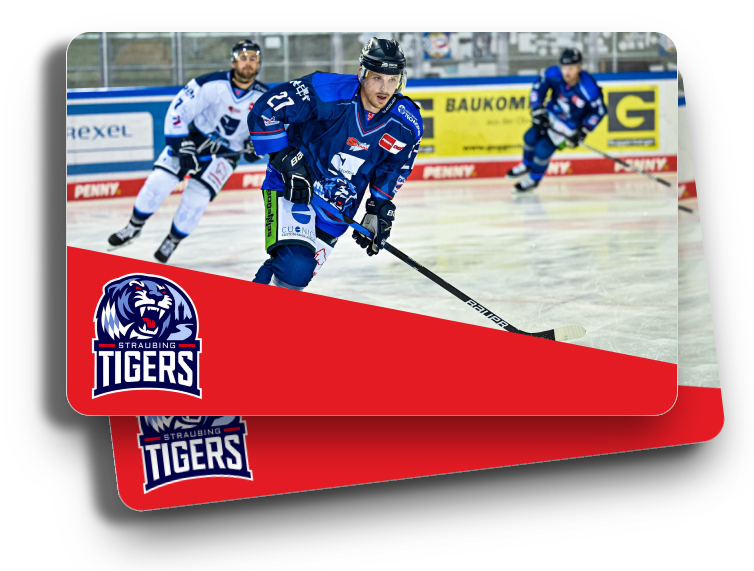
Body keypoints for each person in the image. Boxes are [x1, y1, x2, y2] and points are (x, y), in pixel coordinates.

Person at [247, 37, 422, 290]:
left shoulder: (407, 122)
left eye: (392, 79)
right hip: (293, 188)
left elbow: (394, 167)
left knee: (293, 279)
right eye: (377, 77)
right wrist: (284, 158)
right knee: (295, 267)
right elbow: (265, 109)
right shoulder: (327, 90)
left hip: (338, 208)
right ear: (362, 74)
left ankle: (249, 310)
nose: (385, 88)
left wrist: (378, 208)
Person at [108, 40, 268, 263]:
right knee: (158, 183)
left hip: (226, 153)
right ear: (233, 62)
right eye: (243, 58)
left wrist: (256, 147)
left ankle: (172, 240)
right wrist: (181, 144)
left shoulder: (265, 99)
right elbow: (178, 111)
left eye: (253, 59)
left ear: (259, 64)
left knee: (196, 201)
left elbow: (264, 136)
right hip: (194, 139)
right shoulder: (210, 84)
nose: (247, 63)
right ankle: (133, 226)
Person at [506, 48, 606, 192]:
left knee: (542, 151)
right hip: (551, 114)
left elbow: (598, 112)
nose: (566, 72)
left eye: (571, 68)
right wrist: (537, 109)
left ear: (579, 67)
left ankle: (533, 179)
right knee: (529, 137)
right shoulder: (553, 74)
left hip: (568, 126)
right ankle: (526, 165)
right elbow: (538, 88)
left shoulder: (589, 89)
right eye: (564, 67)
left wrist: (583, 129)